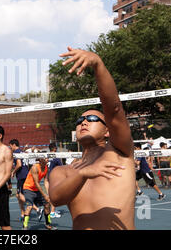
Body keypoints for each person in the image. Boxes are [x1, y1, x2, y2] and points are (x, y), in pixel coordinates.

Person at [49, 47, 135, 230]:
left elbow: (114, 109)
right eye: (80, 119)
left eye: (93, 119)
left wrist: (98, 65)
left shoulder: (119, 152)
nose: (84, 122)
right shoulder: (63, 171)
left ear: (107, 131)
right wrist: (82, 173)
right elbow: (55, 198)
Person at [22, 154, 56, 230]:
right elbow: (37, 183)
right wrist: (44, 195)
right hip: (28, 188)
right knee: (29, 206)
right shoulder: (35, 167)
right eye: (45, 158)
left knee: (47, 204)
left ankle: (48, 224)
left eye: (47, 158)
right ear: (40, 160)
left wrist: (48, 194)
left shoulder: (47, 168)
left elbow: (46, 181)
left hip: (36, 190)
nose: (47, 159)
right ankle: (25, 227)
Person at [9, 139, 29, 223]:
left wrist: (13, 172)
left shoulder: (16, 152)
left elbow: (19, 164)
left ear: (14, 145)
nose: (10, 148)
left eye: (10, 146)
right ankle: (23, 214)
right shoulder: (21, 152)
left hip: (21, 176)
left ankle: (36, 208)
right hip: (25, 175)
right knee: (19, 196)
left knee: (18, 195)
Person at [46, 143, 63, 218]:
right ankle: (52, 212)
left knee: (50, 194)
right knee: (54, 195)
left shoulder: (47, 156)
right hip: (54, 177)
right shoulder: (56, 156)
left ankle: (51, 210)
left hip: (48, 176)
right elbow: (61, 167)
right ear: (55, 148)